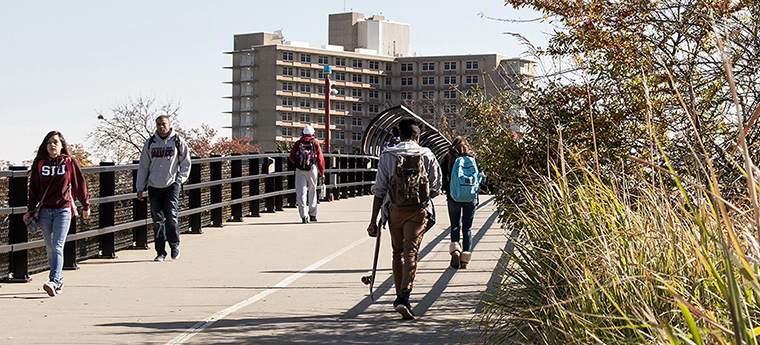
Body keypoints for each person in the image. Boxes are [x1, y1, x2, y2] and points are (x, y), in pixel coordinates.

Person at [367, 117, 442, 320]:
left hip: (394, 210)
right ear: (418, 136)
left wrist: (373, 220)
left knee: (397, 252)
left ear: (399, 136)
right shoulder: (427, 154)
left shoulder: (388, 154)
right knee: (412, 252)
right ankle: (405, 298)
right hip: (418, 211)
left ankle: (398, 295)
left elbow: (379, 189)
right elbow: (436, 187)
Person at [25, 131, 90, 297]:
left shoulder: (69, 162)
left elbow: (79, 184)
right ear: (45, 147)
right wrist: (30, 209)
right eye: (49, 143)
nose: (52, 145)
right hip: (45, 211)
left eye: (55, 142)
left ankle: (53, 280)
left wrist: (85, 205)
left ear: (62, 145)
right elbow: (34, 189)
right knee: (49, 248)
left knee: (57, 245)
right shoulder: (40, 164)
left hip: (63, 209)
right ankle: (59, 280)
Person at [136, 116, 191, 262]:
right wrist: (140, 186)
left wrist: (179, 180)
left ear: (169, 125)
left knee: (171, 216)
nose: (161, 127)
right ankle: (160, 252)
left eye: (164, 124)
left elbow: (186, 163)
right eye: (159, 125)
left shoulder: (178, 141)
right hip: (154, 185)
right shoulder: (150, 143)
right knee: (157, 220)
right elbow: (143, 166)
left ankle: (174, 246)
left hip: (171, 184)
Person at [441, 136, 478, 269]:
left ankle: (455, 250)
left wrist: (447, 191)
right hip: (470, 197)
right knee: (467, 228)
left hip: (453, 197)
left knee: (455, 226)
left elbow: (443, 177)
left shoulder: (447, 157)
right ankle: (465, 260)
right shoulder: (472, 158)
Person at [289, 125, 325, 223]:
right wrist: (322, 172)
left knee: (301, 193)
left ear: (303, 133)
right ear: (313, 133)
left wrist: (298, 164)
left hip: (300, 170)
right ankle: (313, 215)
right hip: (312, 168)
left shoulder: (298, 143)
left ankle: (304, 216)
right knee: (312, 191)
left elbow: (292, 157)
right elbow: (320, 159)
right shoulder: (315, 143)